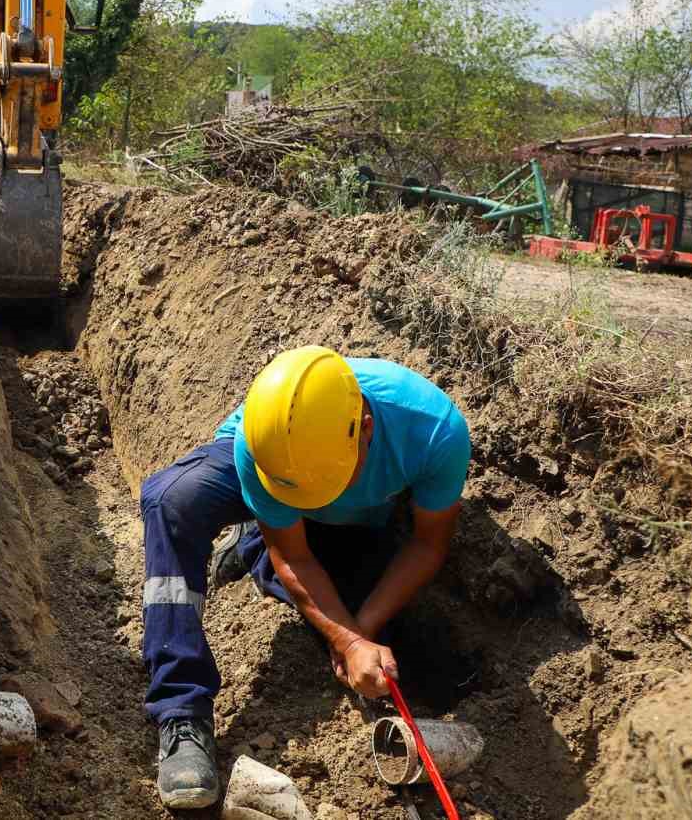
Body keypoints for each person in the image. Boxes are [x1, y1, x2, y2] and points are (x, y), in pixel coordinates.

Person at [139, 346, 470, 809]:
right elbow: (292, 554)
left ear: (366, 432)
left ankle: (256, 547)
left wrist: (360, 630)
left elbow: (427, 544)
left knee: (366, 615)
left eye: (320, 481)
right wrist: (348, 640)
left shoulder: (433, 432)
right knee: (172, 501)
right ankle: (182, 709)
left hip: (351, 522)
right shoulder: (260, 446)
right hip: (270, 493)